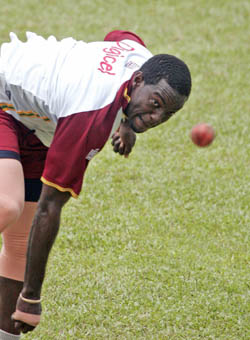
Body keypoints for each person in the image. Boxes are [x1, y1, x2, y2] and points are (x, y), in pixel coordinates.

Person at [0, 29, 191, 338]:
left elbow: (121, 35)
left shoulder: (142, 61)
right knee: (7, 205)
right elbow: (49, 208)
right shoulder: (90, 114)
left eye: (167, 113)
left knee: (20, 246)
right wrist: (31, 297)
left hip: (36, 121)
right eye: (155, 104)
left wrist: (130, 121)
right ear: (138, 81)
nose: (157, 117)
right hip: (4, 98)